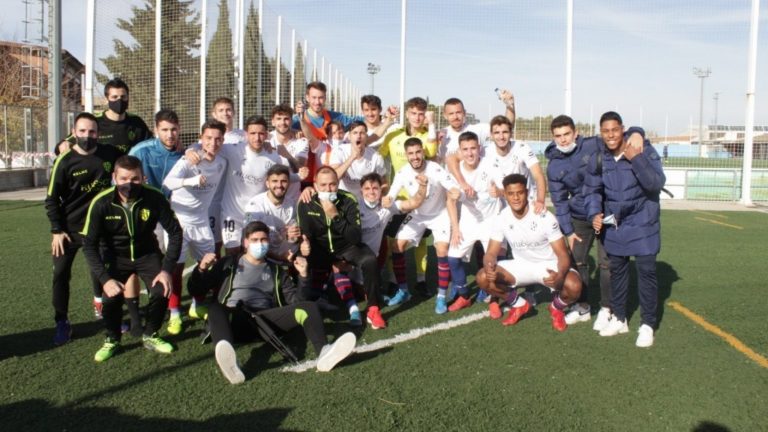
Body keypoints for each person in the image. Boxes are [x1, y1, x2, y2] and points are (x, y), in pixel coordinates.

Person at [187, 221, 357, 384]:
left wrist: (304, 276)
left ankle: (324, 352)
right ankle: (229, 360)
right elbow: (197, 290)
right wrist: (201, 269)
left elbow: (297, 302)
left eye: (263, 240)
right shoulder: (228, 263)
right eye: (254, 240)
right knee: (215, 307)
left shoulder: (277, 271)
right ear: (245, 242)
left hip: (265, 322)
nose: (259, 244)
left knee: (309, 307)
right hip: (233, 321)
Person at [545, 115, 644, 330]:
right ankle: (582, 306)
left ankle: (607, 309)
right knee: (577, 262)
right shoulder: (553, 166)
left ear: (576, 132)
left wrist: (637, 132)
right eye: (558, 136)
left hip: (606, 214)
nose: (563, 140)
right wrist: (568, 231)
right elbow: (560, 201)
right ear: (553, 138)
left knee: (606, 263)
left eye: (566, 134)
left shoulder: (593, 144)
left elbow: (618, 136)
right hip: (580, 217)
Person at [81, 155, 183, 362]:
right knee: (111, 297)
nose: (129, 184)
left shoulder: (154, 197)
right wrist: (105, 278)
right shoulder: (101, 203)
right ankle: (112, 339)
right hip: (115, 256)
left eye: (135, 179)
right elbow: (89, 245)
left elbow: (175, 233)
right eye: (124, 178)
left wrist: (166, 269)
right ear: (114, 178)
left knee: (161, 288)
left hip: (147, 253)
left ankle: (151, 334)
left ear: (143, 178)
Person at [585, 111, 666, 348]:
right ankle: (620, 318)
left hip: (643, 222)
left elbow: (656, 183)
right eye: (606, 131)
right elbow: (591, 190)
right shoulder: (598, 158)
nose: (611, 135)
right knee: (617, 271)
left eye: (615, 129)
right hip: (615, 222)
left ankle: (648, 324)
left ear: (622, 129)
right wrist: (594, 213)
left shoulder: (643, 150)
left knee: (646, 274)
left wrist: (636, 158)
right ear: (601, 133)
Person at [45, 112, 122, 345]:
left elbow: (133, 157)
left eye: (91, 132)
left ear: (98, 133)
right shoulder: (65, 160)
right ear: (74, 132)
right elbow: (51, 199)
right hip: (69, 229)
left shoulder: (109, 153)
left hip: (99, 228)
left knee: (104, 271)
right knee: (60, 274)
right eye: (82, 132)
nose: (87, 136)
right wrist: (56, 230)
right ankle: (62, 322)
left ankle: (107, 312)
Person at [476, 174, 583, 332]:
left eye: (520, 192)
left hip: (548, 265)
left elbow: (562, 254)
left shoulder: (544, 216)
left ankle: (556, 308)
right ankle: (519, 305)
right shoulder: (501, 218)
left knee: (574, 286)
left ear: (526, 192)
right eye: (511, 194)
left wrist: (560, 276)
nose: (516, 198)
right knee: (483, 277)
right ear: (504, 195)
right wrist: (489, 265)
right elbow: (491, 252)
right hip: (522, 265)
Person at [187, 116, 297, 255]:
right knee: (232, 253)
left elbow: (289, 174)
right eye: (252, 133)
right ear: (246, 134)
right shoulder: (233, 150)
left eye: (261, 133)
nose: (257, 138)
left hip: (257, 214)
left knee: (255, 253)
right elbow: (204, 144)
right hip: (231, 214)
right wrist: (190, 150)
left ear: (267, 135)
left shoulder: (272, 155)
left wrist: (302, 178)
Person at [297, 166, 387, 329]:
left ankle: (373, 309)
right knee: (301, 258)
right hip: (321, 248)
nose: (328, 189)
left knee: (369, 260)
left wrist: (335, 215)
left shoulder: (349, 200)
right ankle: (310, 302)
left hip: (345, 246)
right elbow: (305, 234)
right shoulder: (306, 202)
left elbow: (355, 236)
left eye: (332, 184)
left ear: (338, 184)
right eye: (323, 185)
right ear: (315, 185)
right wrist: (303, 244)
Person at [162, 120, 228, 335]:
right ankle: (174, 313)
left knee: (207, 263)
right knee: (176, 268)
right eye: (208, 138)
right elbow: (168, 183)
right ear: (201, 138)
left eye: (218, 138)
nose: (213, 142)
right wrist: (190, 181)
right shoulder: (188, 160)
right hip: (179, 221)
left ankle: (196, 305)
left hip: (201, 221)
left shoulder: (222, 163)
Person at [387, 138, 462, 314]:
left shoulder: (435, 169)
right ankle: (404, 290)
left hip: (439, 215)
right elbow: (391, 194)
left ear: (423, 152)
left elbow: (451, 185)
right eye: (411, 153)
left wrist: (454, 190)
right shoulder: (402, 172)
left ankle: (442, 297)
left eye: (418, 152)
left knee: (442, 250)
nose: (415, 157)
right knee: (396, 246)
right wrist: (386, 199)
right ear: (406, 155)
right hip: (417, 215)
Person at [378, 97, 439, 295]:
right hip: (399, 199)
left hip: (422, 198)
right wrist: (383, 183)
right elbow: (378, 155)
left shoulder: (426, 136)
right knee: (392, 240)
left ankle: (421, 280)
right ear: (407, 114)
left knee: (421, 241)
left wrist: (431, 125)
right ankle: (394, 280)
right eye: (413, 113)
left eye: (421, 113)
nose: (417, 117)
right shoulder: (393, 135)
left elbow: (432, 151)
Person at [446, 132, 506, 314]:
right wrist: (455, 229)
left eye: (473, 148)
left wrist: (499, 192)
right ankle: (464, 296)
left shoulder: (491, 165)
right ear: (460, 151)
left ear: (479, 148)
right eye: (465, 149)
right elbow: (450, 201)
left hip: (492, 221)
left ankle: (494, 299)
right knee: (453, 258)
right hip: (469, 221)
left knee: (495, 261)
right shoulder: (456, 172)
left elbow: (506, 188)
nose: (470, 153)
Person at [440, 92, 515, 197]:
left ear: (464, 113)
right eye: (451, 114)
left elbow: (506, 126)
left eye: (458, 112)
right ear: (445, 115)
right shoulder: (440, 135)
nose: (455, 116)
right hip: (455, 192)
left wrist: (510, 105)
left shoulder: (477, 129)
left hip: (479, 191)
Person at [244, 164, 306, 264]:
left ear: (289, 183)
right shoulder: (254, 205)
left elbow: (293, 238)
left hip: (288, 259)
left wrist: (292, 237)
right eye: (275, 181)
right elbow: (251, 242)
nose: (279, 185)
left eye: (283, 181)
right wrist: (278, 257)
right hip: (263, 259)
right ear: (267, 183)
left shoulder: (293, 205)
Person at [487, 115, 547, 214]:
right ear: (491, 135)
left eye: (505, 132)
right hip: (502, 208)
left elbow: (538, 175)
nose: (501, 137)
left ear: (511, 133)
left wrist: (540, 201)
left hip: (527, 203)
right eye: (497, 132)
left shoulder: (522, 148)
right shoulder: (486, 152)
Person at [129, 109, 185, 196]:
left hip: (172, 206)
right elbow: (121, 178)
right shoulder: (141, 151)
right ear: (156, 130)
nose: (170, 135)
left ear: (179, 129)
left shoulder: (184, 155)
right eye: (165, 130)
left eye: (173, 129)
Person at [330, 120, 388, 198]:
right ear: (349, 137)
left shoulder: (376, 156)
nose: (359, 136)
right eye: (355, 133)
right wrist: (352, 158)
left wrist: (381, 197)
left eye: (362, 133)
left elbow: (384, 183)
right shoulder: (339, 151)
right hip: (343, 198)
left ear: (366, 137)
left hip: (365, 200)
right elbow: (333, 178)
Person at [93, 78, 152, 154]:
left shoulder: (136, 122)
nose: (119, 100)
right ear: (106, 100)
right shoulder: (95, 122)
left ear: (128, 98)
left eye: (123, 97)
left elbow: (150, 147)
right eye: (114, 97)